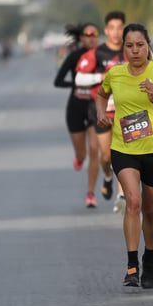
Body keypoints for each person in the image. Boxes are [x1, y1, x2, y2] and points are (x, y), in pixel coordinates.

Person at [95, 23, 153, 289]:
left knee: (150, 209)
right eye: (129, 46)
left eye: (140, 45)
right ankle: (132, 265)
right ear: (123, 48)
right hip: (124, 149)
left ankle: (149, 258)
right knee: (133, 201)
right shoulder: (115, 74)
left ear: (148, 46)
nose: (134, 50)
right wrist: (100, 113)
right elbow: (100, 94)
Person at [75, 11, 128, 213]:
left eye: (120, 28)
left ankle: (122, 194)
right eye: (112, 28)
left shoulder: (131, 51)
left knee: (125, 153)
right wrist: (102, 77)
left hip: (127, 111)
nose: (116, 32)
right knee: (106, 156)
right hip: (103, 111)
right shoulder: (97, 53)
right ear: (106, 30)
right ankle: (107, 177)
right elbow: (79, 79)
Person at [53, 22, 102, 208]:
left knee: (94, 149)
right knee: (82, 154)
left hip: (94, 106)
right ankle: (79, 158)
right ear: (81, 38)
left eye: (94, 34)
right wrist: (75, 85)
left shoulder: (101, 55)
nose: (91, 37)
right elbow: (57, 81)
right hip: (75, 106)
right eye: (87, 34)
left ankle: (90, 193)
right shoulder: (74, 56)